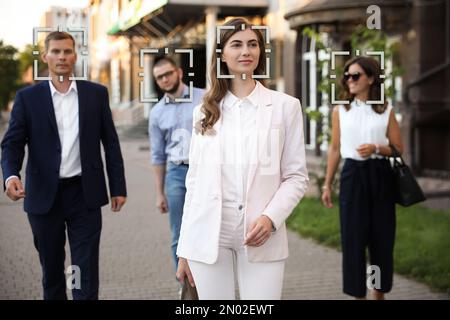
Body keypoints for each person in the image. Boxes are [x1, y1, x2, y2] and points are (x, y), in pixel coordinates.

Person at [175, 17, 309, 300]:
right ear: (222, 55)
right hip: (208, 237)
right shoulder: (205, 111)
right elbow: (194, 182)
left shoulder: (285, 107)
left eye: (252, 44)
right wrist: (184, 249)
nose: (246, 51)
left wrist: (270, 218)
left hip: (261, 235)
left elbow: (296, 177)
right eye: (236, 45)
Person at [1, 31, 127, 300]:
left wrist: (118, 187)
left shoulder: (95, 94)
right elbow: (12, 143)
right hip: (44, 196)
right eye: (55, 51)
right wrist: (10, 175)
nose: (61, 57)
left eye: (67, 51)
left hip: (85, 194)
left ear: (75, 55)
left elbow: (111, 143)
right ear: (45, 56)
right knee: (52, 269)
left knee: (84, 269)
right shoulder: (28, 98)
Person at [321, 56, 404, 300]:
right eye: (347, 75)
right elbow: (335, 149)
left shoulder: (385, 109)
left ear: (370, 78)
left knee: (381, 238)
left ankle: (378, 293)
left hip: (380, 176)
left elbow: (399, 147)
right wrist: (327, 184)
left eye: (355, 75)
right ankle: (359, 296)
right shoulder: (341, 110)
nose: (350, 80)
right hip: (352, 176)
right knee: (353, 240)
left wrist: (377, 148)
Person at [149, 57, 205, 274]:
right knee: (179, 234)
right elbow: (157, 155)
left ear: (179, 72)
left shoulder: (205, 97)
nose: (165, 79)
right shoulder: (156, 113)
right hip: (176, 174)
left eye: (168, 74)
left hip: (205, 170)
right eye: (159, 77)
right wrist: (159, 193)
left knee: (209, 229)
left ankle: (208, 284)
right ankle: (185, 289)